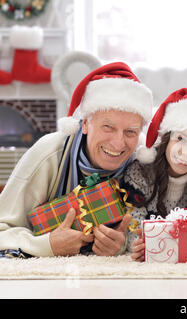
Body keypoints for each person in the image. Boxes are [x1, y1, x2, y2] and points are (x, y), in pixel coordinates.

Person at [0, 62, 154, 258]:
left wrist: (120, 247)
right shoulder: (48, 153)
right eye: (108, 127)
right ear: (85, 124)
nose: (118, 143)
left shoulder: (142, 161)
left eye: (130, 132)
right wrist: (47, 245)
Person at [124, 88, 187, 262]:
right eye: (180, 139)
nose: (186, 153)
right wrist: (140, 245)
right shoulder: (139, 173)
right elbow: (134, 229)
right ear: (166, 139)